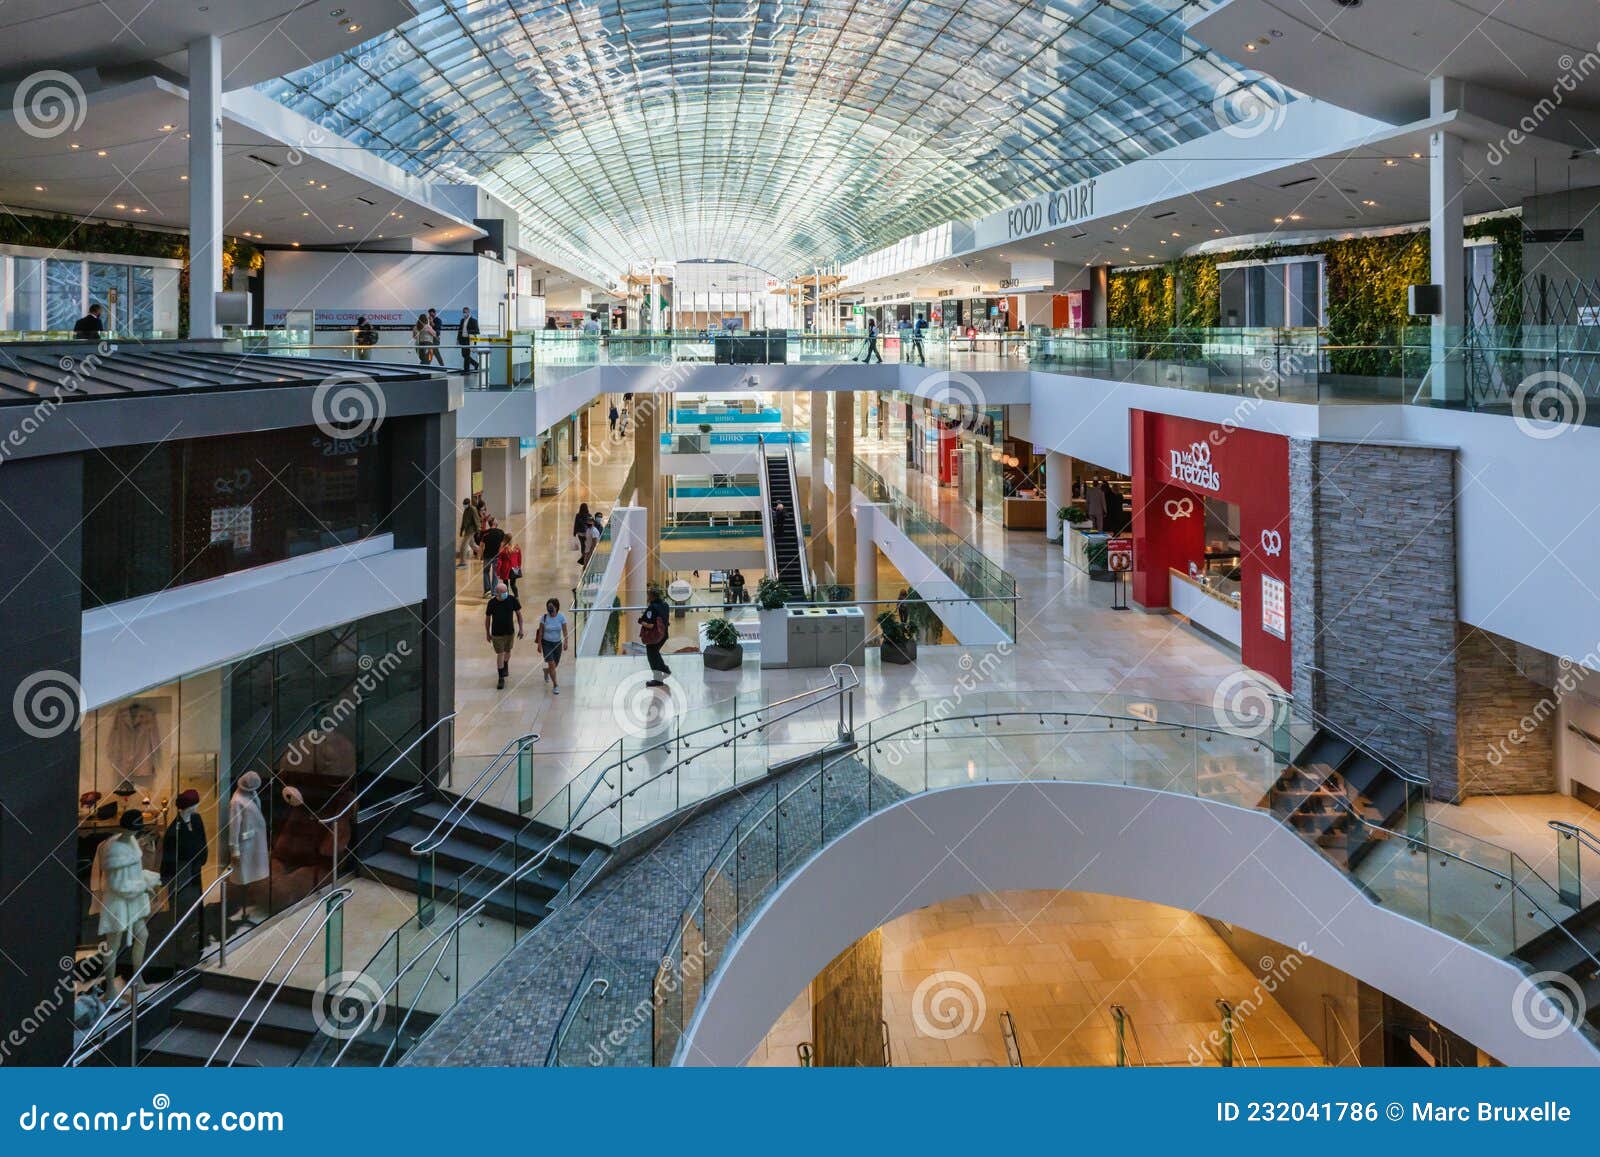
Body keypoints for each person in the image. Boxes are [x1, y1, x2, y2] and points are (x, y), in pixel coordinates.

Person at [160, 788, 208, 958]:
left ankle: (198, 938)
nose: (197, 807)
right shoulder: (174, 831)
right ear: (187, 807)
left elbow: (203, 841)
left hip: (195, 870)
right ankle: (183, 942)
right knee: (183, 908)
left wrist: (202, 859)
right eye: (195, 804)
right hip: (182, 874)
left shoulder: (196, 819)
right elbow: (169, 858)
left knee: (197, 904)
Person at [485, 581, 523, 689]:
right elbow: (487, 619)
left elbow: (519, 615)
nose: (506, 593)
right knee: (500, 654)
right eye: (503, 592)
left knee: (508, 651)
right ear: (497, 593)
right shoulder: (491, 603)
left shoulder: (512, 600)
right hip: (497, 634)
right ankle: (501, 677)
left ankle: (505, 664)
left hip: (509, 632)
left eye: (506, 591)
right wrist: (487, 633)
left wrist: (521, 629)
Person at [639, 585, 672, 688]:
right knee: (655, 654)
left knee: (652, 657)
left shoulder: (652, 607)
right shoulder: (665, 605)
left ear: (652, 596)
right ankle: (665, 670)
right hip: (663, 635)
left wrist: (640, 621)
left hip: (654, 637)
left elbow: (650, 625)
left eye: (648, 594)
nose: (647, 596)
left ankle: (658, 679)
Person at [538, 598, 569, 694]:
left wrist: (566, 642)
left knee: (555, 665)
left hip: (557, 644)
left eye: (552, 607)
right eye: (548, 608)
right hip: (546, 643)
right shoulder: (544, 618)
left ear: (556, 607)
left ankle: (546, 671)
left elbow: (564, 631)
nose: (550, 609)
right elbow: (540, 632)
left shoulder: (561, 617)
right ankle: (555, 685)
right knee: (551, 664)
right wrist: (539, 644)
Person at [477, 516, 508, 597]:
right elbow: (504, 544)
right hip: (497, 556)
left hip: (487, 556)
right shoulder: (501, 532)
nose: (497, 522)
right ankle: (494, 592)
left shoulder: (485, 533)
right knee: (495, 573)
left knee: (485, 572)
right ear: (494, 523)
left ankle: (487, 591)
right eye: (496, 520)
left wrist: (479, 556)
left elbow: (481, 546)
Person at [457, 497, 480, 568]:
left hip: (471, 530)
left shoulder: (473, 509)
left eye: (465, 504)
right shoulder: (466, 510)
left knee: (463, 546)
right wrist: (461, 531)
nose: (464, 505)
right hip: (467, 530)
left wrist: (478, 530)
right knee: (472, 545)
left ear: (468, 503)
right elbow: (464, 522)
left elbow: (476, 520)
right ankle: (484, 552)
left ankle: (463, 563)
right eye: (463, 504)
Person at [457, 306, 480, 374]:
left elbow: (477, 331)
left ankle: (466, 371)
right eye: (463, 312)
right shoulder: (462, 320)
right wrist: (458, 339)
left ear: (469, 312)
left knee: (466, 355)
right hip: (463, 339)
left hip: (469, 339)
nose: (464, 313)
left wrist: (469, 332)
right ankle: (475, 364)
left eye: (465, 312)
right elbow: (460, 330)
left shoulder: (473, 320)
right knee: (464, 355)